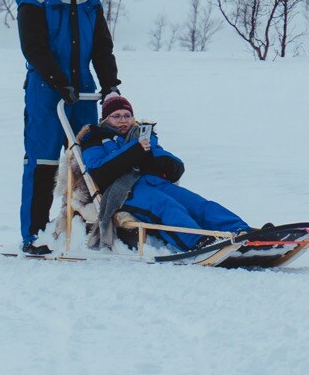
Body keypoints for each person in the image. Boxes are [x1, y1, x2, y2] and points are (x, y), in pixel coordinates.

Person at [16, 0, 119, 254]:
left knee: (88, 164)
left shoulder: (89, 0)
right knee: (43, 162)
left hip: (83, 93)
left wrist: (110, 84)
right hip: (46, 92)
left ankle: (86, 230)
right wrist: (58, 81)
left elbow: (102, 47)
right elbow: (34, 47)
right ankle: (34, 235)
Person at [69, 92, 253, 256]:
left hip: (155, 182)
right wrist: (135, 151)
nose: (123, 120)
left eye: (127, 115)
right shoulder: (95, 139)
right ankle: (198, 242)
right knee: (166, 206)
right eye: (116, 116)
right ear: (105, 119)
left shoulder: (143, 135)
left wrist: (151, 157)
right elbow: (99, 172)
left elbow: (174, 167)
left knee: (198, 204)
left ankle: (243, 231)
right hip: (123, 191)